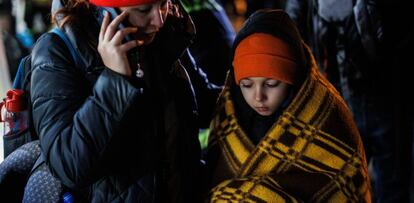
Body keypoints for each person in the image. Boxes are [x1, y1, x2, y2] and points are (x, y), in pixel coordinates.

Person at [18, 0, 219, 202]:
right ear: (106, 11)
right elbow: (69, 166)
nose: (159, 20)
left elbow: (204, 106)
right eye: (143, 10)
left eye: (164, 4)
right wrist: (115, 80)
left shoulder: (163, 36)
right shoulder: (57, 50)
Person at [205, 9, 371, 202]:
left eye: (271, 84)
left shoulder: (330, 119)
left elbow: (346, 189)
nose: (258, 96)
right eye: (247, 84)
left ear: (293, 78)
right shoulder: (227, 112)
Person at [285, 0, 414, 202]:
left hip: (381, 91)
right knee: (342, 183)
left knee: (389, 181)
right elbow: (294, 19)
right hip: (337, 90)